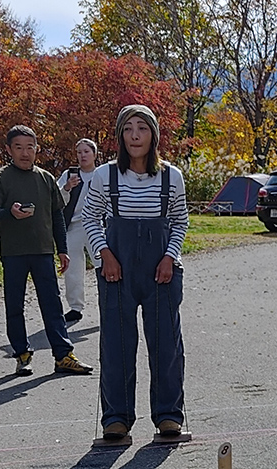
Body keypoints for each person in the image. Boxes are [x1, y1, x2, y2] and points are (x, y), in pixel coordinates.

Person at [82, 105, 189, 440]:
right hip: (117, 270)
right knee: (116, 344)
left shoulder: (171, 176)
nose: (135, 136)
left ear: (153, 135)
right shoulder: (105, 175)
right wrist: (104, 255)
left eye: (142, 128)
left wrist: (169, 257)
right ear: (119, 136)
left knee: (166, 346)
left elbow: (180, 222)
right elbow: (90, 218)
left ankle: (168, 414)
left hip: (162, 271)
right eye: (127, 129)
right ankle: (116, 416)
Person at [0, 125, 93, 377]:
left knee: (52, 305)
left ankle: (63, 355)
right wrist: (9, 213)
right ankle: (22, 354)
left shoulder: (45, 178)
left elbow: (57, 215)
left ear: (37, 149)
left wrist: (62, 249)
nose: (25, 153)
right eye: (19, 147)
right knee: (15, 305)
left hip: (43, 251)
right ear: (9, 149)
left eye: (30, 147)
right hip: (13, 252)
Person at [56, 138, 102, 323]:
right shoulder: (70, 174)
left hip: (97, 226)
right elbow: (57, 199)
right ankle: (75, 307)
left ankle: (109, 303)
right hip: (74, 225)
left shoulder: (102, 174)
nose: (82, 156)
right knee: (72, 268)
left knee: (103, 264)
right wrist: (67, 187)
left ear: (94, 154)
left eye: (86, 152)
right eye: (79, 152)